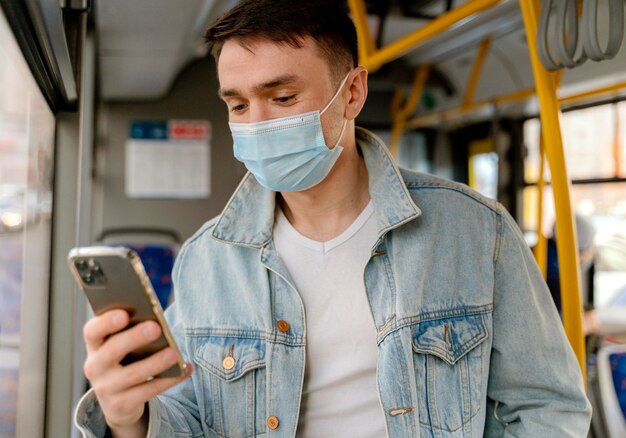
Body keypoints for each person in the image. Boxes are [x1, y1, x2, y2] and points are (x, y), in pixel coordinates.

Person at [75, 1, 591, 436]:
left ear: (352, 93)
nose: (256, 125)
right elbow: (192, 419)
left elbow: (548, 406)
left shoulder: (476, 232)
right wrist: (130, 419)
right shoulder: (207, 260)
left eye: (282, 98)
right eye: (237, 105)